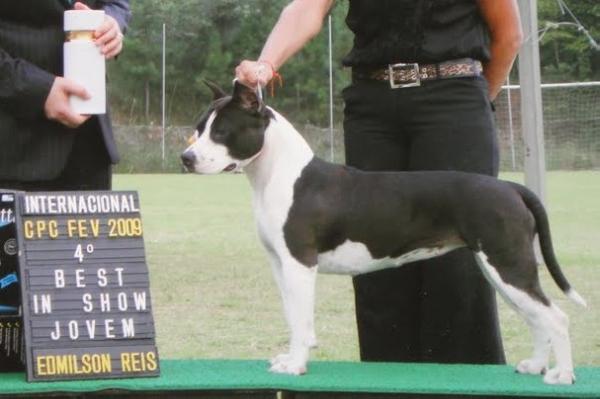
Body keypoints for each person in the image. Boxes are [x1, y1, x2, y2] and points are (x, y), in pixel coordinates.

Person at [236, 0, 523, 365]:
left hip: (453, 101)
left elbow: (509, 35)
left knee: (456, 270)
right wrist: (266, 64)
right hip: (373, 108)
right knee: (373, 265)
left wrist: (478, 100)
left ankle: (464, 386)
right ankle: (383, 385)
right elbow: (306, 8)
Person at [0, 0, 131, 192]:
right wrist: (36, 89)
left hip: (91, 147)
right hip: (12, 150)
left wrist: (112, 22)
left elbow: (116, 3)